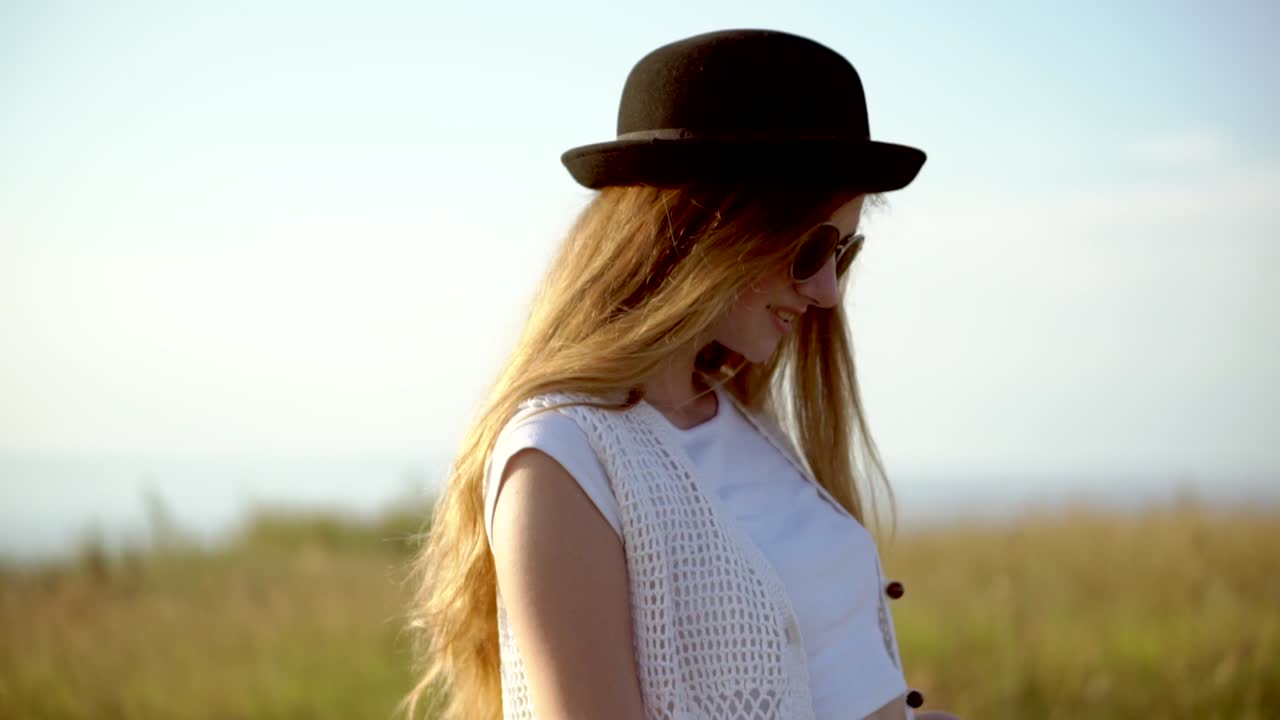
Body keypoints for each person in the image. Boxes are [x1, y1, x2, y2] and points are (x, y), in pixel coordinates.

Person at [403, 29, 958, 720]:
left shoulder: (746, 425)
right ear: (706, 231)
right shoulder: (563, 460)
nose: (828, 293)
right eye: (809, 251)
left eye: (844, 254)